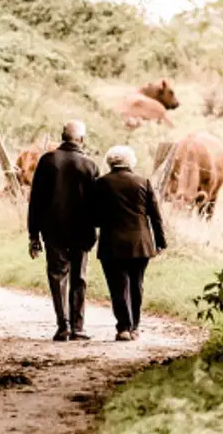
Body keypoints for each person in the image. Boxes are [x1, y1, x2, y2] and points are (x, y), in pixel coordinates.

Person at [27, 120, 100, 342]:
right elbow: (96, 203)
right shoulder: (90, 165)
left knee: (57, 275)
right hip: (82, 230)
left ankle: (63, 326)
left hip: (53, 229)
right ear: (82, 139)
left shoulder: (48, 161)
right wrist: (96, 228)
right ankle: (78, 327)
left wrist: (33, 234)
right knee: (79, 277)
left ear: (62, 136)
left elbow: (36, 200)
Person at [93, 145, 166, 342]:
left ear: (110, 162)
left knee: (118, 287)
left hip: (111, 243)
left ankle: (123, 327)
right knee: (137, 285)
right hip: (140, 243)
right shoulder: (144, 182)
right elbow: (155, 216)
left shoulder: (100, 183)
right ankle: (135, 327)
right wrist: (160, 242)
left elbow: (94, 217)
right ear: (130, 162)